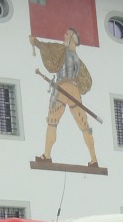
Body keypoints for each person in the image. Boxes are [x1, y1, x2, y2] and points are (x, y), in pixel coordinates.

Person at [31, 28, 98, 167]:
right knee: (84, 125)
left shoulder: (63, 51)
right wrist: (36, 43)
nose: (64, 35)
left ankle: (47, 155)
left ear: (73, 38)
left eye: (67, 34)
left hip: (63, 88)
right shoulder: (78, 60)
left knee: (52, 121)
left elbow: (47, 47)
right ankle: (94, 159)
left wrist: (36, 43)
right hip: (74, 91)